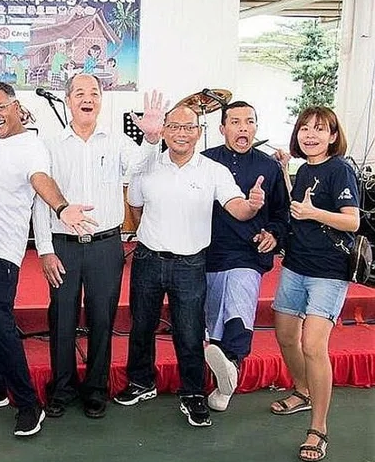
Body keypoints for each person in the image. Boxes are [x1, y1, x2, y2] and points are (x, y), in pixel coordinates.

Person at [0, 37, 97, 437]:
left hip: (2, 255)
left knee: (0, 327)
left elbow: (41, 181)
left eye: (2, 107)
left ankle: (28, 403)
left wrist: (62, 207)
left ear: (17, 107)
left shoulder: (31, 145)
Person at [117, 104, 265, 427]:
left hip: (191, 264)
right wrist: (153, 237)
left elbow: (236, 207)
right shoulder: (148, 167)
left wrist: (252, 206)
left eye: (188, 128)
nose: (181, 133)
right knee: (141, 326)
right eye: (174, 127)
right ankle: (141, 382)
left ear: (198, 132)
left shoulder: (213, 170)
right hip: (148, 259)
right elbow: (135, 208)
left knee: (189, 331)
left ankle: (193, 393)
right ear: (165, 131)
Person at [31, 74, 163, 420]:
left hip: (106, 246)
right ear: (68, 99)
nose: (87, 99)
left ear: (101, 100)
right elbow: (40, 199)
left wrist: (151, 137)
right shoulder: (50, 144)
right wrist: (44, 248)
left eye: (93, 93)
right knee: (61, 317)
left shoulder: (117, 142)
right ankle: (61, 388)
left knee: (103, 318)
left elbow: (142, 168)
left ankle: (96, 389)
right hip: (63, 246)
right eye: (79, 93)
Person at [270, 106, 359, 462]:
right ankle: (302, 389)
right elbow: (299, 206)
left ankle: (318, 428)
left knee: (312, 345)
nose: (310, 134)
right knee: (285, 336)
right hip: (295, 266)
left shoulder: (341, 169)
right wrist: (283, 171)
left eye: (320, 129)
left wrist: (313, 214)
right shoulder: (305, 169)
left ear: (333, 136)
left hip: (328, 271)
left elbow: (351, 222)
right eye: (304, 128)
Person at [201, 101, 290, 412]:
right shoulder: (204, 161)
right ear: (222, 128)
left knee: (239, 302)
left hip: (247, 254)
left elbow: (281, 214)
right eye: (235, 122)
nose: (242, 127)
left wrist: (274, 234)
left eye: (249, 121)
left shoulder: (269, 167)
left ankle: (234, 363)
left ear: (256, 127)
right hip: (207, 253)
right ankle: (224, 379)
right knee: (213, 320)